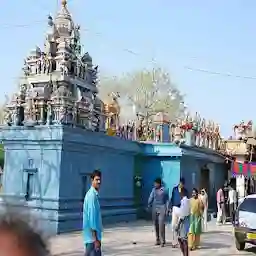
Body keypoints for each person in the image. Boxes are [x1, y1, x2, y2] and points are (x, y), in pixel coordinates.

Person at [83, 170, 102, 256]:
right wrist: (95, 239)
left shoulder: (94, 195)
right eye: (96, 179)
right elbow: (92, 218)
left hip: (92, 238)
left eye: (99, 180)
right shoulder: (91, 196)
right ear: (92, 180)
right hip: (92, 238)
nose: (99, 182)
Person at [148, 177, 169, 247]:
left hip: (162, 208)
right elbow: (151, 197)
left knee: (161, 225)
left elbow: (167, 200)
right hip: (154, 208)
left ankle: (163, 241)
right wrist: (149, 204)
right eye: (154, 183)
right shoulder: (153, 190)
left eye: (156, 183)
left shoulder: (164, 190)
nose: (155, 184)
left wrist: (167, 208)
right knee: (156, 224)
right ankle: (157, 239)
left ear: (159, 183)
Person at [170, 177, 188, 248]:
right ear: (179, 182)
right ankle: (174, 242)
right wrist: (170, 207)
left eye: (183, 184)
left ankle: (180, 241)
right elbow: (172, 198)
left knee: (180, 226)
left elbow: (187, 201)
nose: (182, 184)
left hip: (181, 209)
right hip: (175, 208)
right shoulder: (174, 189)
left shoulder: (185, 191)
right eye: (181, 183)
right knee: (173, 225)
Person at [175, 187, 190, 256]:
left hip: (183, 221)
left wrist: (178, 224)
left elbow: (183, 214)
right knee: (180, 238)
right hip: (185, 220)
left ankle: (185, 254)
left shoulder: (185, 201)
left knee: (183, 239)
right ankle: (184, 253)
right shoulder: (184, 201)